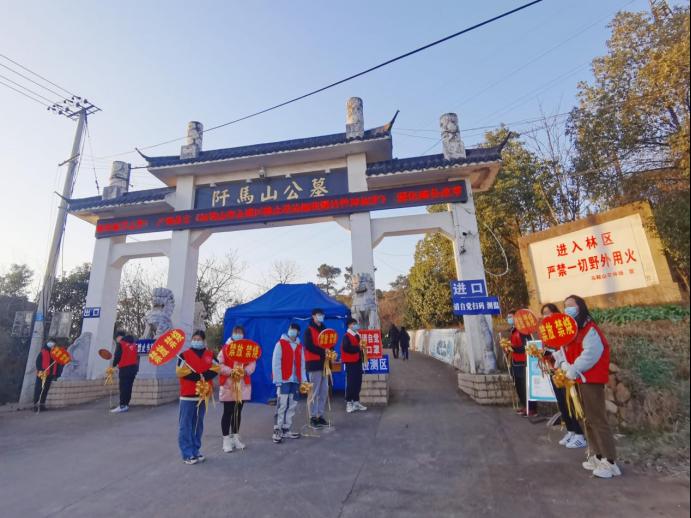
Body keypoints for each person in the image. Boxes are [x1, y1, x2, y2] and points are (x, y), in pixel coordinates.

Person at [557, 295, 621, 479]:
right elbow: (566, 352)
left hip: (590, 380)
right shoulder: (573, 330)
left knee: (597, 420)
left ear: (581, 307)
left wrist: (573, 369)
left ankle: (610, 462)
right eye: (565, 306)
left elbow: (591, 354)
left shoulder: (589, 329)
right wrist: (563, 365)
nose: (568, 309)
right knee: (587, 419)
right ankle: (598, 456)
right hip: (578, 380)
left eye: (571, 306)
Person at [541, 303, 587, 450]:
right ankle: (571, 431)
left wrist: (557, 357)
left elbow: (567, 350)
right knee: (562, 404)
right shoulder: (546, 333)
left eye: (548, 312)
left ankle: (579, 434)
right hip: (554, 372)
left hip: (566, 372)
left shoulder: (565, 329)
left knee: (570, 403)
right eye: (543, 314)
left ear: (556, 313)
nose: (546, 316)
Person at [176, 330, 220, 465]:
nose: (196, 341)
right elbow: (180, 372)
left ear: (204, 341)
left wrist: (205, 376)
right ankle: (187, 453)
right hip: (188, 395)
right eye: (194, 339)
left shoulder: (210, 354)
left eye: (199, 339)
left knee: (197, 424)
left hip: (203, 395)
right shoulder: (183, 355)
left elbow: (216, 367)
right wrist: (197, 377)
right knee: (185, 425)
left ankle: (195, 450)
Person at [218, 325, 256, 453]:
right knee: (228, 412)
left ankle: (235, 438)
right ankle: (226, 440)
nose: (238, 334)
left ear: (243, 335)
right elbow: (219, 365)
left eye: (240, 332)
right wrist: (231, 371)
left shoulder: (248, 349)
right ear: (232, 334)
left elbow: (252, 363)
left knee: (237, 412)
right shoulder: (225, 349)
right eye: (236, 332)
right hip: (229, 385)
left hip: (243, 385)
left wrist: (245, 371)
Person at [271, 323, 307, 444]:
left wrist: (304, 380)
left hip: (295, 380)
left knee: (292, 405)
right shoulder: (280, 344)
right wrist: (278, 380)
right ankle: (277, 430)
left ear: (298, 332)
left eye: (295, 329)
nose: (292, 331)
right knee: (282, 405)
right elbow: (276, 362)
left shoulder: (300, 347)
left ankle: (286, 429)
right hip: (284, 380)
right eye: (291, 329)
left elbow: (302, 365)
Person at [507, 311, 537, 417]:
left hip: (523, 362)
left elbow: (527, 347)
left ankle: (531, 408)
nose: (509, 319)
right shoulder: (513, 330)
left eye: (511, 316)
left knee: (526, 386)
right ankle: (525, 406)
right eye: (508, 317)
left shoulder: (523, 331)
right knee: (519, 386)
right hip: (515, 362)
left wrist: (513, 348)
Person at [303, 308, 329, 428]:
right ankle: (312, 417)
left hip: (325, 365)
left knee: (323, 391)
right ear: (313, 316)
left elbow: (330, 343)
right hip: (314, 364)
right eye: (318, 314)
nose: (321, 316)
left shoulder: (325, 329)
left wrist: (330, 351)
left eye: (322, 314)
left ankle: (320, 415)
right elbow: (309, 346)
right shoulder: (309, 330)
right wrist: (323, 352)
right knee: (314, 391)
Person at [341, 317, 367, 413]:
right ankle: (349, 402)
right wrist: (358, 348)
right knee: (351, 383)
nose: (356, 325)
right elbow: (346, 347)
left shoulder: (358, 335)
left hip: (358, 361)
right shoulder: (346, 336)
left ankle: (356, 402)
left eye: (356, 323)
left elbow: (360, 348)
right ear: (349, 325)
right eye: (353, 324)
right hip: (350, 362)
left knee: (358, 382)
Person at [110, 333, 139, 413]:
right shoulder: (134, 344)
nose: (117, 340)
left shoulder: (121, 344)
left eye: (116, 339)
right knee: (129, 387)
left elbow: (117, 356)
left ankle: (122, 405)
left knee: (123, 387)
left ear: (119, 337)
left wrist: (113, 365)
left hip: (124, 368)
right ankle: (126, 405)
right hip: (133, 369)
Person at [33, 338, 62, 412]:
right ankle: (36, 406)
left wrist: (56, 375)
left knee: (45, 390)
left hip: (50, 375)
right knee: (39, 389)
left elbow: (58, 364)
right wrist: (41, 370)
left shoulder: (56, 352)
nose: (52, 344)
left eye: (53, 342)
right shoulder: (43, 351)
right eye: (51, 342)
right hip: (42, 374)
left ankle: (42, 405)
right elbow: (38, 362)